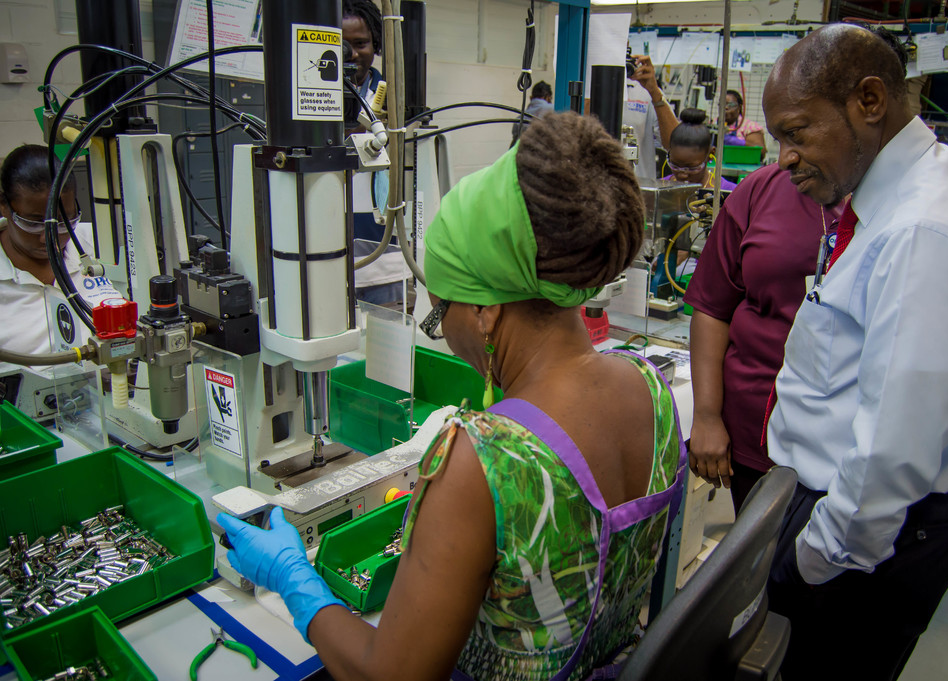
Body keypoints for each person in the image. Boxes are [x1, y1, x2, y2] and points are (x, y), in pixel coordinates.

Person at [218, 112, 687, 681]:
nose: (442, 328)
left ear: (487, 311)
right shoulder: (651, 388)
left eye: (441, 313)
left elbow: (386, 674)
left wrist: (297, 583)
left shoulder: (482, 460)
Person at [762, 24, 948, 680]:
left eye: (796, 132)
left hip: (867, 538)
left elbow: (894, 453)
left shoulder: (926, 230)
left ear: (869, 102)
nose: (783, 157)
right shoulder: (899, 201)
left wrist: (812, 560)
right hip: (849, 512)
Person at [683, 163, 840, 513]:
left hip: (848, 445)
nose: (786, 155)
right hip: (756, 431)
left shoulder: (899, 207)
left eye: (797, 131)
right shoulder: (762, 190)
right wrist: (707, 414)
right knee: (762, 556)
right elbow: (712, 306)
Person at [343, 0, 411, 309]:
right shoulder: (309, 103)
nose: (352, 55)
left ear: (376, 45)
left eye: (360, 44)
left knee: (385, 345)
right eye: (342, 45)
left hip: (380, 243)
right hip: (330, 244)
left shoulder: (390, 93)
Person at [0, 144, 95, 357]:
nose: (48, 238)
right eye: (32, 224)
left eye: (63, 223)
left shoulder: (100, 244)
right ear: (3, 205)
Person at [625, 55, 679, 179]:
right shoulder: (584, 79)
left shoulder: (643, 90)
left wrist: (654, 91)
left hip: (637, 188)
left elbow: (675, 146)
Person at [662, 108, 737, 191]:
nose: (682, 175)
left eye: (691, 168)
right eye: (675, 166)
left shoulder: (729, 192)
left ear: (711, 154)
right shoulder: (661, 187)